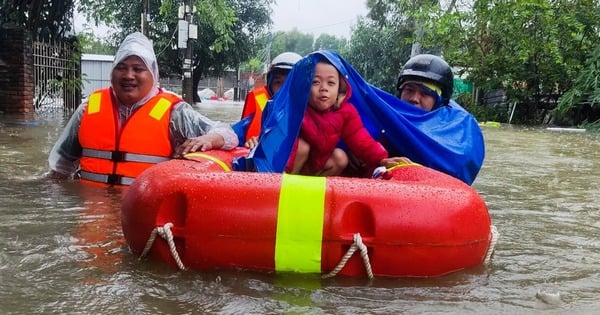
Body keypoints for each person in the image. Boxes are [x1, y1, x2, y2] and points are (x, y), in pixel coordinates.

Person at [241, 50, 484, 185]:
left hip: (327, 168)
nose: (414, 99)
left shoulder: (453, 126)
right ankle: (278, 185)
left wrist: (379, 159)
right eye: (409, 90)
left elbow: (360, 139)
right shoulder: (387, 116)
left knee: (338, 156)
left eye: (425, 94)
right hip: (295, 166)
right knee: (316, 149)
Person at [46, 32, 238, 186]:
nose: (129, 75)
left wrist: (207, 139)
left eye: (138, 69)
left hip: (143, 214)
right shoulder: (88, 108)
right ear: (112, 72)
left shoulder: (174, 112)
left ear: (153, 74)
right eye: (121, 68)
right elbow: (60, 168)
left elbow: (228, 134)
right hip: (91, 214)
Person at [232, 52, 302, 148]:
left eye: (290, 83)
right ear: (270, 85)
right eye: (278, 82)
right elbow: (231, 133)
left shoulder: (314, 111)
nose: (283, 90)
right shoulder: (262, 107)